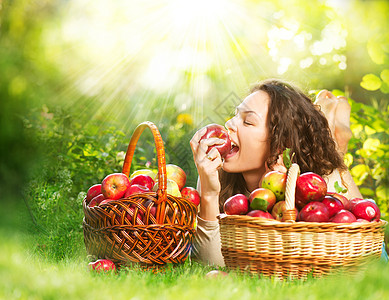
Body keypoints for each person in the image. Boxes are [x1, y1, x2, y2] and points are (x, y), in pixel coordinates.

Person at [189, 78, 379, 267]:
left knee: (335, 171)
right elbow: (209, 266)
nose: (229, 123)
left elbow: (360, 255)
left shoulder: (315, 185)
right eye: (235, 114)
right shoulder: (215, 174)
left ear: (279, 143)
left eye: (247, 121)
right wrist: (209, 194)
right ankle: (331, 134)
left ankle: (335, 137)